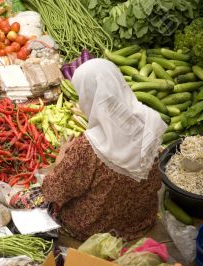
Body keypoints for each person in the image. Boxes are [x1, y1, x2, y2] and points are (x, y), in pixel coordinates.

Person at [42, 58, 167, 241]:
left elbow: (53, 191)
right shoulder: (150, 121)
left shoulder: (88, 147)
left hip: (97, 229)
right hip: (140, 219)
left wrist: (59, 161)